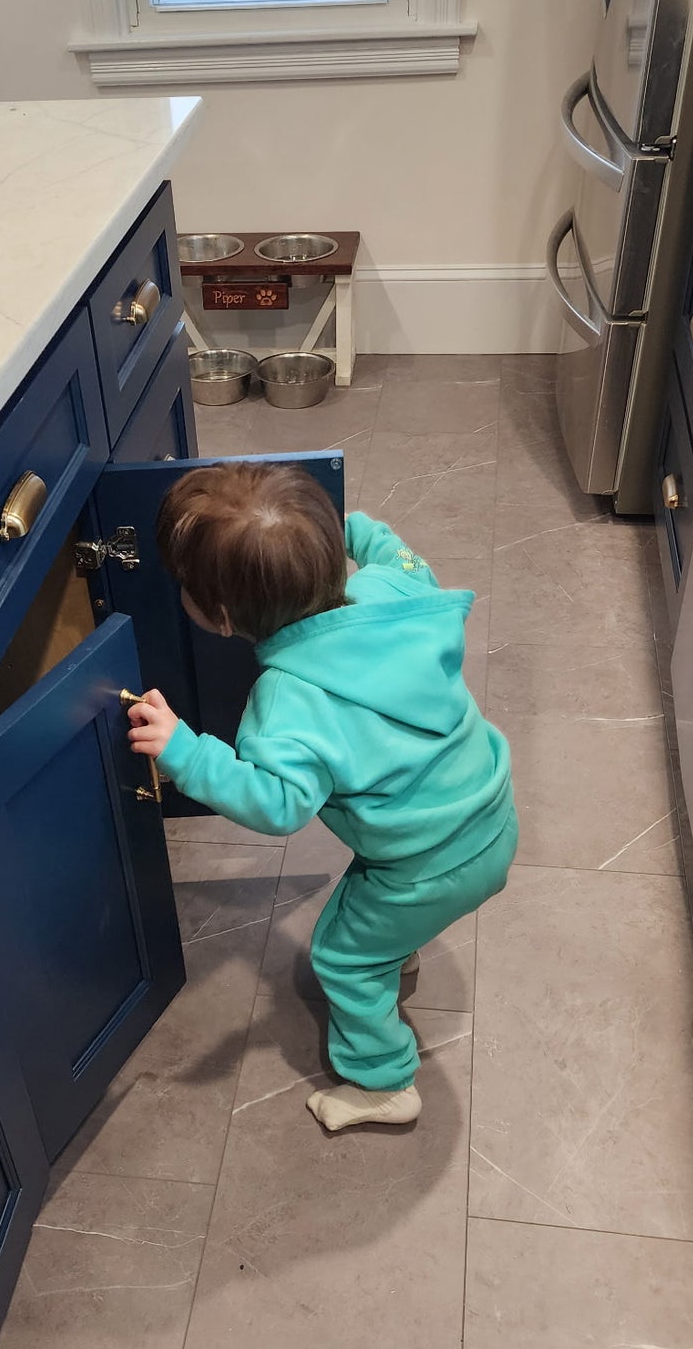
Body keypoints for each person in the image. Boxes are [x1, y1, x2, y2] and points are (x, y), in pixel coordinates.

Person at [127, 460, 516, 1132]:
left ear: (219, 617)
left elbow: (280, 803)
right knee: (382, 924)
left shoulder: (287, 700)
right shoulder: (396, 586)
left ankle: (384, 1082)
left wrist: (184, 751)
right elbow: (391, 542)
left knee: (342, 954)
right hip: (487, 812)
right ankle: (399, 943)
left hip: (420, 865)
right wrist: (343, 529)